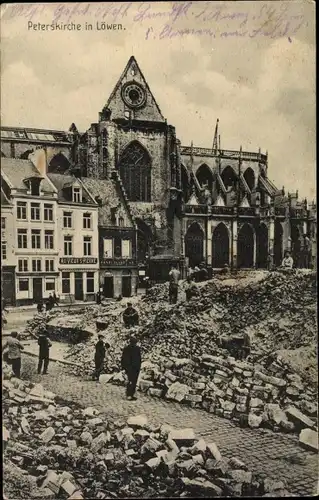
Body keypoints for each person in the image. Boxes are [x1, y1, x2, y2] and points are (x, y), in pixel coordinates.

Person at [121, 336, 142, 401]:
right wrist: (139, 367)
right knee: (133, 382)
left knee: (129, 381)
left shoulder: (126, 348)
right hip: (135, 368)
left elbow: (123, 359)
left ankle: (129, 394)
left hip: (128, 367)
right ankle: (130, 395)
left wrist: (123, 367)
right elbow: (139, 359)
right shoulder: (137, 349)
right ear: (135, 342)